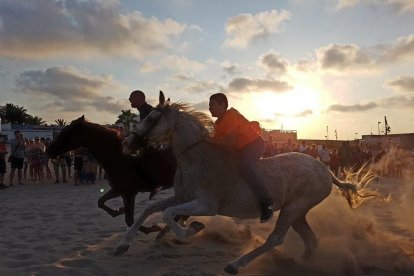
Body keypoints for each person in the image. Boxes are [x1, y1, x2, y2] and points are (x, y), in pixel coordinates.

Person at [205, 93, 273, 223]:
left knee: (244, 166)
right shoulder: (217, 124)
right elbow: (217, 142)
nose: (209, 108)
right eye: (209, 105)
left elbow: (230, 141)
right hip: (241, 149)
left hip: (254, 144)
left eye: (212, 105)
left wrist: (209, 140)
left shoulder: (230, 115)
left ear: (223, 105)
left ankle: (266, 202)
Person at [128, 89, 163, 199]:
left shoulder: (148, 110)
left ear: (139, 98)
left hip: (154, 143)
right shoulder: (143, 110)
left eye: (131, 98)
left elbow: (150, 129)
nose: (129, 100)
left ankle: (156, 184)